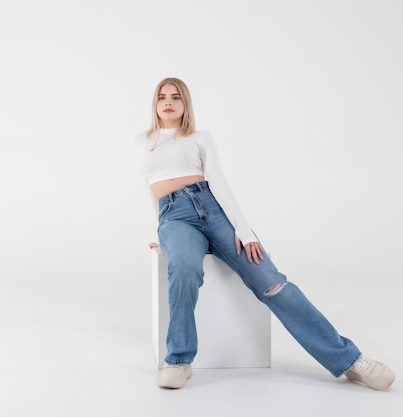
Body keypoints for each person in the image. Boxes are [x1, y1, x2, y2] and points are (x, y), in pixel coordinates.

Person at [133, 77, 396, 390]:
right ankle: (178, 360)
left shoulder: (199, 137)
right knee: (185, 269)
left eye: (176, 97)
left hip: (213, 209)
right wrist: (163, 232)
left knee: (272, 283)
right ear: (154, 103)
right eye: (162, 97)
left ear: (185, 104)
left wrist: (245, 232)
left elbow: (218, 183)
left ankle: (349, 360)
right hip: (174, 218)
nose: (168, 102)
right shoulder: (142, 142)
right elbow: (154, 194)